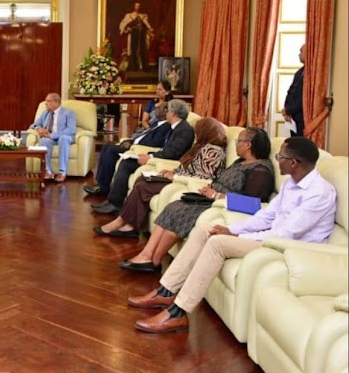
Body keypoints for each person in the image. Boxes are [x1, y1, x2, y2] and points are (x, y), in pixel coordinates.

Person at [128, 137, 336, 334]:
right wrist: (232, 229)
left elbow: (287, 233)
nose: (277, 160)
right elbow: (266, 216)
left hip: (290, 248)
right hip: (273, 238)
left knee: (217, 243)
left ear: (293, 162)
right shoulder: (291, 183)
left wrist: (238, 238)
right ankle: (166, 291)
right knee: (207, 228)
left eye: (280, 157)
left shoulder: (319, 193)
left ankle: (178, 313)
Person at [119, 127, 274, 273]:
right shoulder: (240, 162)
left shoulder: (261, 170)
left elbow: (252, 203)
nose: (235, 145)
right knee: (174, 205)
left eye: (238, 141)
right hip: (210, 199)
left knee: (181, 212)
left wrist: (216, 195)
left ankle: (154, 259)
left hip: (222, 206)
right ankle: (147, 255)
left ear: (248, 145)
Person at [95, 117, 228, 238]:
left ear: (206, 131)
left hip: (185, 184)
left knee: (144, 185)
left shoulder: (213, 151)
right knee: (142, 179)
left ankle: (122, 223)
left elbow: (203, 176)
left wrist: (175, 175)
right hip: (179, 177)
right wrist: (172, 170)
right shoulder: (201, 146)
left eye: (198, 131)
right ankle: (129, 225)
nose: (196, 134)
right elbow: (190, 168)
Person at [92, 99, 195, 213]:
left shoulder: (184, 130)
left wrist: (150, 157)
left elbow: (172, 153)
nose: (166, 113)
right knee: (126, 162)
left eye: (168, 110)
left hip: (165, 164)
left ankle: (115, 203)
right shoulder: (175, 127)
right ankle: (112, 201)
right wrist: (150, 155)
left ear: (174, 113)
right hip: (159, 158)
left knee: (127, 164)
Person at [84, 101, 172, 196]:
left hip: (138, 149)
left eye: (158, 109)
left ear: (165, 112)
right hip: (133, 144)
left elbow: (154, 143)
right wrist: (130, 140)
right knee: (106, 146)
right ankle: (100, 183)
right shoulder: (157, 123)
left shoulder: (165, 126)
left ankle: (103, 187)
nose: (154, 111)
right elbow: (144, 135)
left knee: (111, 150)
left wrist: (132, 144)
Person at [30, 93, 76, 183]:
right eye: (46, 101)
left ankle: (62, 172)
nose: (46, 103)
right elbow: (34, 124)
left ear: (56, 102)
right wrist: (39, 129)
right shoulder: (45, 113)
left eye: (48, 101)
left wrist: (52, 135)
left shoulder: (68, 113)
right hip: (49, 138)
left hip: (63, 137)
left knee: (63, 139)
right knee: (44, 141)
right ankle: (48, 171)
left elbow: (71, 129)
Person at [119, 2, 153, 71]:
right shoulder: (129, 15)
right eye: (136, 6)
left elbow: (147, 26)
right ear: (133, 7)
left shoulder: (143, 16)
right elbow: (123, 24)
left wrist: (150, 32)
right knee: (133, 50)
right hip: (133, 34)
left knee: (143, 50)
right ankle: (134, 67)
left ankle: (144, 67)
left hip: (142, 35)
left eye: (138, 6)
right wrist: (127, 29)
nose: (137, 7)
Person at [282, 44, 306, 136]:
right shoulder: (299, 72)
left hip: (302, 118)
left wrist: (288, 110)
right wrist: (286, 110)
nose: (299, 54)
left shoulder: (312, 74)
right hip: (293, 118)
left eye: (301, 51)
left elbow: (303, 97)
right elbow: (290, 92)